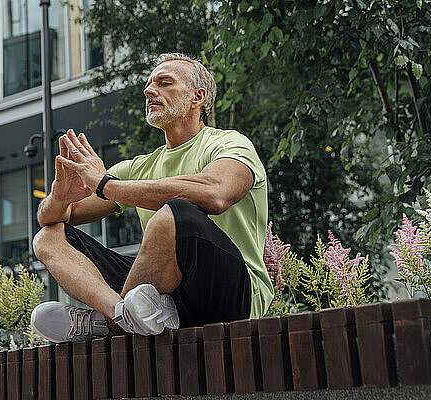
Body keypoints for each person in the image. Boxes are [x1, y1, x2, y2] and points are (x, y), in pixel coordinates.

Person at [30, 53, 273, 342]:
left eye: (164, 82)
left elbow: (215, 193)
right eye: (148, 84)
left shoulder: (229, 143)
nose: (148, 90)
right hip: (160, 302)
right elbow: (51, 218)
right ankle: (121, 313)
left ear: (198, 97)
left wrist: (106, 185)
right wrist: (59, 198)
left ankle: (108, 326)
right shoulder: (137, 167)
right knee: (48, 237)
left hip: (233, 297)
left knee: (172, 215)